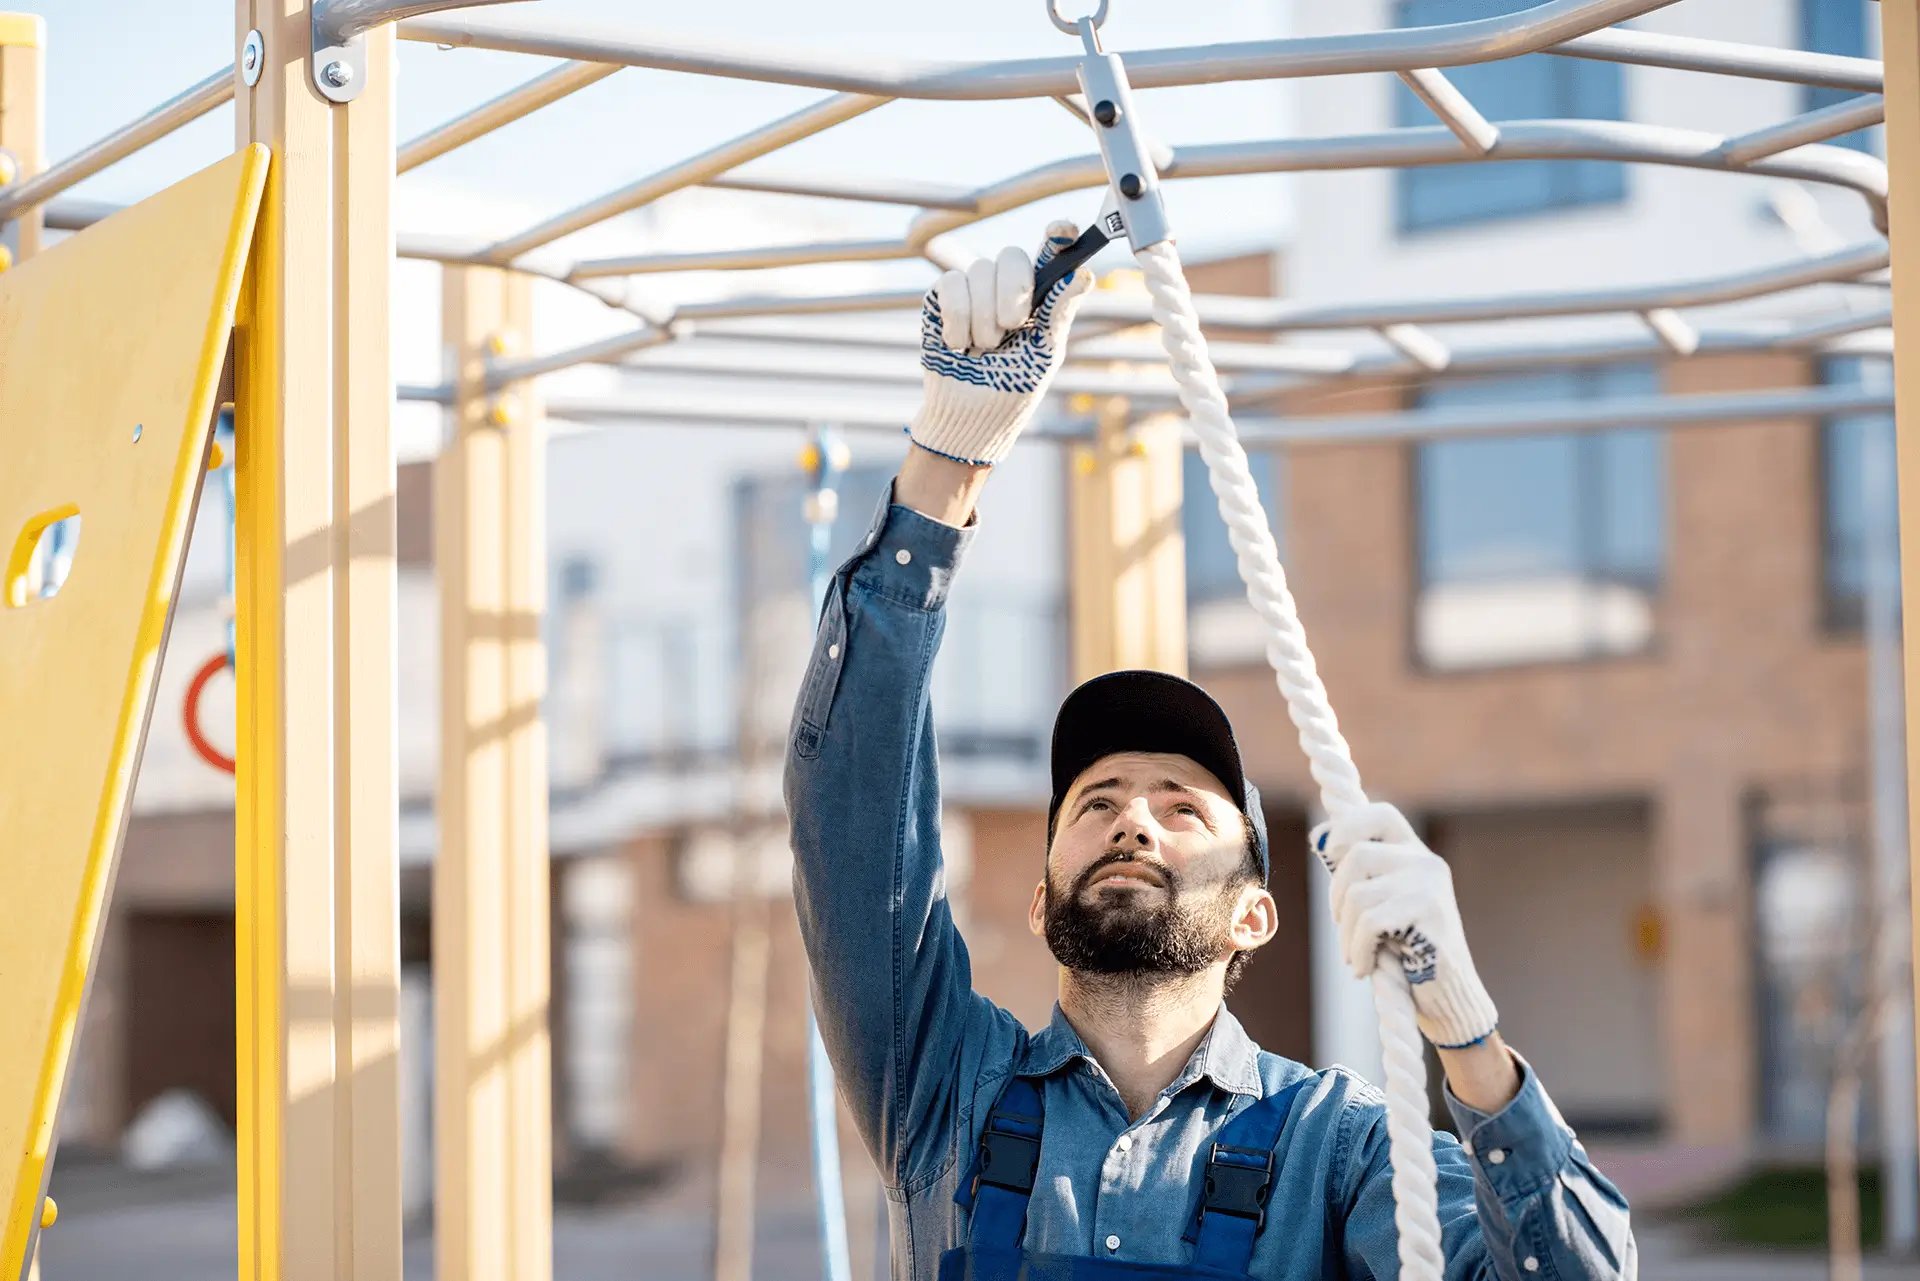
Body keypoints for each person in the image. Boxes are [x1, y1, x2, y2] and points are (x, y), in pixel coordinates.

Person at [784, 224, 1635, 1280]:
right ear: (1044, 902)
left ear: (1255, 916)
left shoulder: (1344, 1149)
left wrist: (1464, 1031)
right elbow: (853, 823)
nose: (1132, 816)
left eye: (1183, 807)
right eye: (1095, 803)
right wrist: (949, 456)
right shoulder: (946, 1089)